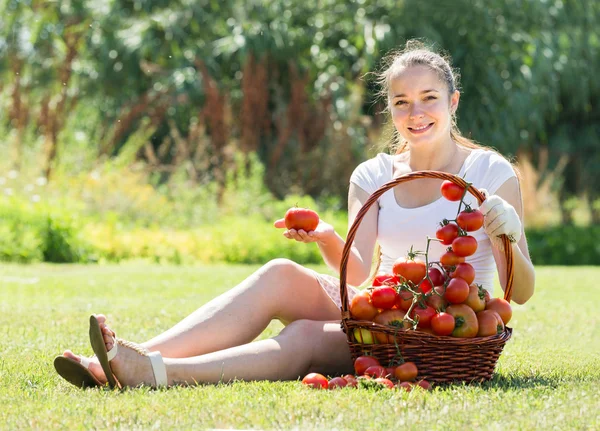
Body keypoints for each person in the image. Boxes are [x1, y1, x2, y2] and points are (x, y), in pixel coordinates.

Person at [54, 40, 535, 389]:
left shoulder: (487, 172)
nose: (416, 112)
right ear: (389, 109)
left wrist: (507, 234)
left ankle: (155, 373)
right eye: (401, 101)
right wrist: (328, 235)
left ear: (452, 102)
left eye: (429, 98)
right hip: (381, 306)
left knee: (306, 336)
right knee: (281, 274)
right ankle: (123, 359)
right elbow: (361, 274)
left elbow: (521, 292)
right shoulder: (374, 174)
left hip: (432, 329)